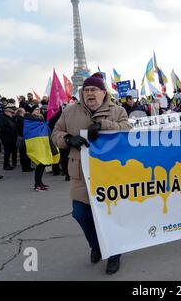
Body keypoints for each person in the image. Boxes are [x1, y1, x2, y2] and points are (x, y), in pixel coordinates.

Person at [52, 73, 132, 275]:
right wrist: (68, 139)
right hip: (80, 172)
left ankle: (114, 254)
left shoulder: (117, 110)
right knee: (80, 213)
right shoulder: (70, 112)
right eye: (86, 90)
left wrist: (104, 125)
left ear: (103, 92)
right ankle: (96, 245)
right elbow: (55, 133)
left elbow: (127, 129)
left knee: (111, 216)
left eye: (93, 90)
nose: (89, 93)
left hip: (111, 172)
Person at [0, 104, 18, 170]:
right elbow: (1, 127)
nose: (12, 113)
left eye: (12, 112)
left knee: (14, 151)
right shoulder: (2, 118)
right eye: (11, 112)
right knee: (7, 153)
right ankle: (6, 165)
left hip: (12, 138)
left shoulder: (11, 118)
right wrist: (10, 131)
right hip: (7, 138)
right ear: (6, 112)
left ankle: (14, 163)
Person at [15, 108, 34, 172]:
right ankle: (26, 167)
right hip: (23, 138)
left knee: (24, 153)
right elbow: (22, 128)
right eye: (24, 111)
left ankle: (27, 166)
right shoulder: (20, 119)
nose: (25, 112)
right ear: (20, 112)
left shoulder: (20, 119)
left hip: (23, 137)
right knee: (24, 153)